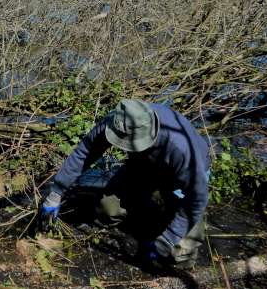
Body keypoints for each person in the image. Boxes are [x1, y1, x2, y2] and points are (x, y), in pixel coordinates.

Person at [39, 99, 210, 267]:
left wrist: (169, 239)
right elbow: (85, 152)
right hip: (143, 165)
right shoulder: (118, 121)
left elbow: (197, 199)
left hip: (181, 180)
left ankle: (168, 219)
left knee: (179, 255)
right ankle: (146, 209)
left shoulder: (182, 150)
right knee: (107, 211)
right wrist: (56, 193)